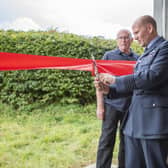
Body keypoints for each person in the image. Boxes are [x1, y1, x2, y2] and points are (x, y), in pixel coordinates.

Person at [95, 15, 168, 168]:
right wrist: (109, 90)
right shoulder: (144, 55)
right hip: (133, 123)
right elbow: (136, 86)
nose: (134, 38)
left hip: (152, 124)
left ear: (149, 28)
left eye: (136, 33)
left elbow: (150, 77)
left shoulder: (164, 49)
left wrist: (115, 80)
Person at [96, 29, 138, 168]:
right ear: (116, 40)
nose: (123, 40)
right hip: (111, 105)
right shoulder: (108, 56)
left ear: (131, 40)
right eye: (120, 37)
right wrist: (100, 106)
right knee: (106, 140)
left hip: (130, 107)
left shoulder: (137, 59)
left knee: (126, 142)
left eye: (126, 37)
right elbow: (99, 82)